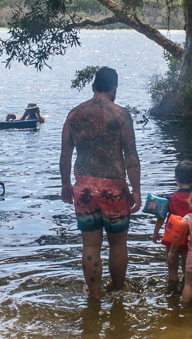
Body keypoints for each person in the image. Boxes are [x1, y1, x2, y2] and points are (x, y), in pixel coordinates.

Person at [60, 67, 141, 299]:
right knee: (117, 245)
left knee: (90, 245)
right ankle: (117, 292)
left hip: (84, 187)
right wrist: (136, 190)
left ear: (93, 87)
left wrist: (66, 184)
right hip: (114, 189)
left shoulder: (74, 115)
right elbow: (131, 156)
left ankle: (94, 296)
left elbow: (65, 155)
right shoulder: (121, 115)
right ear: (114, 87)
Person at [152, 160, 192, 291]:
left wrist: (156, 232)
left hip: (172, 238)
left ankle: (172, 294)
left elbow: (161, 217)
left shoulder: (170, 198)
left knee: (172, 269)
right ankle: (187, 291)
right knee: (186, 268)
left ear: (175, 178)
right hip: (189, 239)